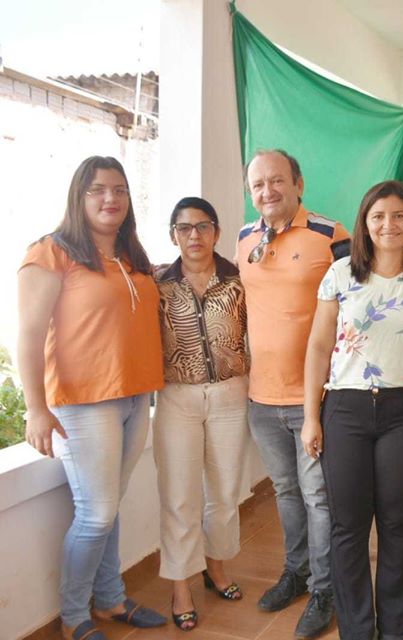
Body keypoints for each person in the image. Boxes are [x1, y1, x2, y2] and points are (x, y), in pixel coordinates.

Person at [18, 156, 166, 640]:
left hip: (135, 396)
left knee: (109, 506)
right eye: (98, 189)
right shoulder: (51, 252)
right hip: (83, 403)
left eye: (120, 190)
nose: (111, 199)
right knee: (97, 513)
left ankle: (110, 598)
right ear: (78, 196)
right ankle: (74, 614)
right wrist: (36, 409)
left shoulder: (130, 256)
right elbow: (28, 334)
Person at [301, 181, 403, 640]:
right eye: (378, 216)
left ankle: (393, 627)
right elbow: (319, 346)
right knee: (349, 525)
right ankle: (357, 629)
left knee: (397, 522)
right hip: (346, 407)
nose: (388, 225)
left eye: (399, 216)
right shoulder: (340, 274)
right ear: (364, 222)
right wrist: (311, 416)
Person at [236, 149, 351, 639]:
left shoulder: (331, 234)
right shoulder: (244, 238)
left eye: (277, 180)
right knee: (286, 492)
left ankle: (325, 590)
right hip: (262, 399)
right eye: (258, 184)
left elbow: (358, 301)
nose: (268, 191)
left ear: (298, 183)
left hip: (314, 399)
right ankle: (297, 572)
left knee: (318, 497)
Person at [154, 197, 250, 631]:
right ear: (173, 234)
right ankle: (180, 586)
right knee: (179, 496)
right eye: (184, 227)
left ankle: (217, 566)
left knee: (225, 492)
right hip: (177, 397)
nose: (194, 235)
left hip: (230, 393)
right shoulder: (157, 283)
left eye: (203, 226)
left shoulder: (239, 279)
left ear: (216, 231)